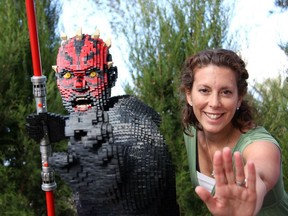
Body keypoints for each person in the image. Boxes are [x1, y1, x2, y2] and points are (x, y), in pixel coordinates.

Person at [26, 29, 179, 216]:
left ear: (111, 77)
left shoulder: (135, 135)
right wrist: (64, 127)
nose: (79, 85)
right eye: (67, 76)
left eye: (91, 74)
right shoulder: (114, 115)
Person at [180, 48, 288, 215]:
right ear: (189, 95)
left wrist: (247, 195)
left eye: (226, 92)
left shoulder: (260, 144)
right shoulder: (191, 132)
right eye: (204, 90)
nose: (214, 103)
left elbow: (260, 173)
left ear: (239, 98)